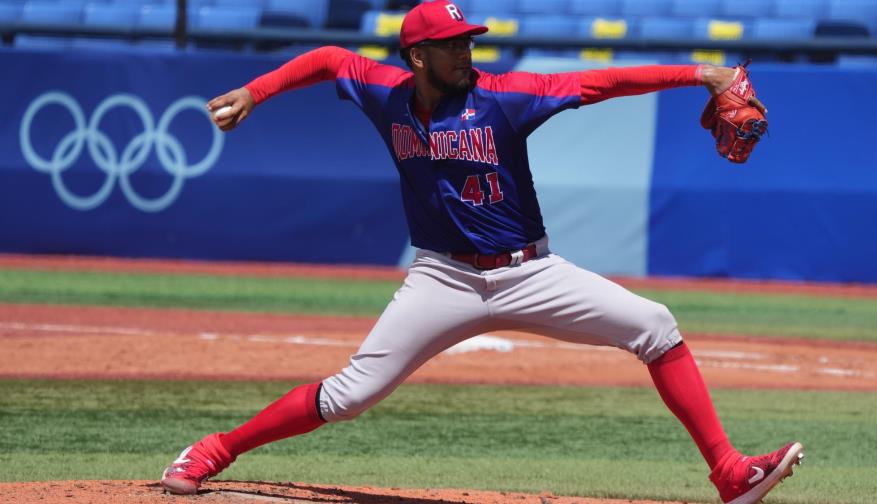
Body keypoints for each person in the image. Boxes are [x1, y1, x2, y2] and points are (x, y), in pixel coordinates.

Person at [161, 2, 802, 503]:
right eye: (453, 43)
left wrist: (705, 74)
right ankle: (214, 450)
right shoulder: (385, 92)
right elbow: (329, 56)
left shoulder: (502, 96)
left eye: (469, 39)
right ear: (417, 55)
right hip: (441, 280)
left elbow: (603, 81)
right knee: (349, 397)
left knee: (655, 325)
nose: (467, 50)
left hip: (531, 272)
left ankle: (729, 474)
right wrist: (256, 91)